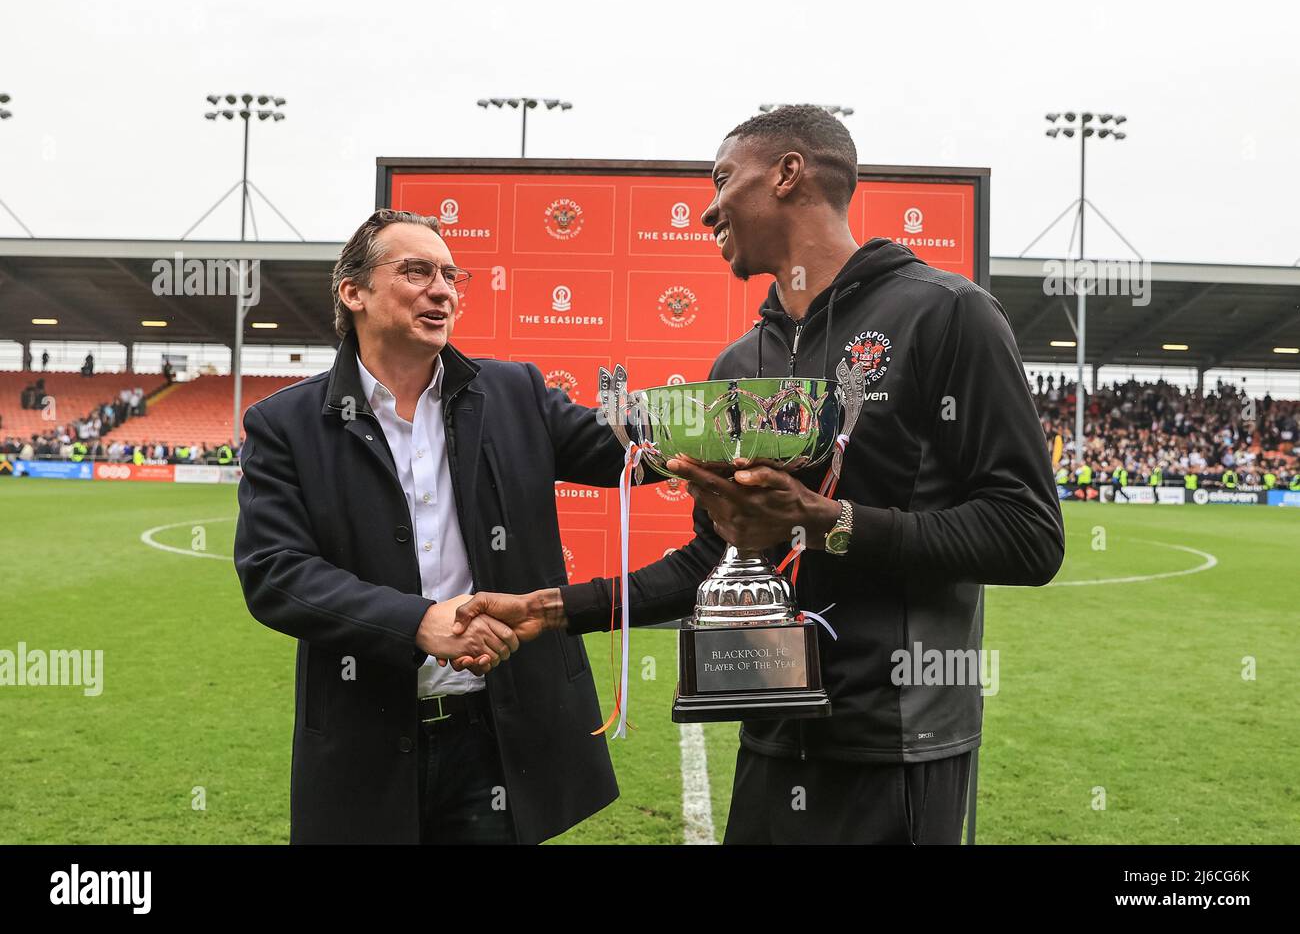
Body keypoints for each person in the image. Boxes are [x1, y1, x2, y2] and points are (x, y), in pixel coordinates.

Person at [455, 105, 1064, 844]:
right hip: (771, 735)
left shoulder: (949, 314)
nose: (706, 209)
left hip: (900, 747)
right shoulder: (740, 365)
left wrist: (827, 523)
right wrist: (552, 610)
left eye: (721, 180)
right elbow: (714, 563)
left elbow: (1030, 536)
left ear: (787, 174)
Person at [234, 208, 627, 844]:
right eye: (417, 271)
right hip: (367, 740)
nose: (442, 288)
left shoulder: (516, 393)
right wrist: (418, 623)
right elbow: (274, 574)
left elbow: (625, 452)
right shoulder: (284, 424)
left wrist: (731, 418)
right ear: (352, 291)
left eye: (451, 274)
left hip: (498, 738)